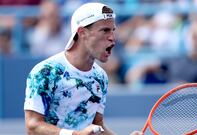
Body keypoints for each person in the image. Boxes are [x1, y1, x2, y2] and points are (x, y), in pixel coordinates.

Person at [24, 2, 142, 135]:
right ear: (82, 32)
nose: (113, 38)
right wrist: (75, 134)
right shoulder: (46, 72)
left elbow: (97, 126)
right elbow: (33, 126)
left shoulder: (100, 76)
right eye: (105, 30)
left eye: (113, 30)